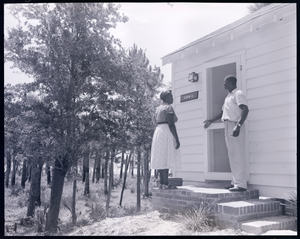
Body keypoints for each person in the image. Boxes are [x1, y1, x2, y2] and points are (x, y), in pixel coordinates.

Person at [203, 75, 249, 192]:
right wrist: (211, 121)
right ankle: (235, 182)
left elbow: (245, 109)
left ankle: (241, 184)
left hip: (235, 125)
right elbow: (222, 113)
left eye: (225, 82)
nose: (223, 84)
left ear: (229, 83)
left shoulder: (238, 93)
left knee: (238, 154)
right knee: (232, 155)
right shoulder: (228, 96)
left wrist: (238, 126)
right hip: (227, 125)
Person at [151, 90, 181, 189]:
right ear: (167, 98)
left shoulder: (158, 108)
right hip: (166, 132)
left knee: (162, 157)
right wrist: (177, 139)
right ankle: (165, 183)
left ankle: (163, 183)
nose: (172, 98)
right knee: (166, 156)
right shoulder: (168, 108)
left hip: (159, 131)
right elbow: (171, 124)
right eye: (171, 97)